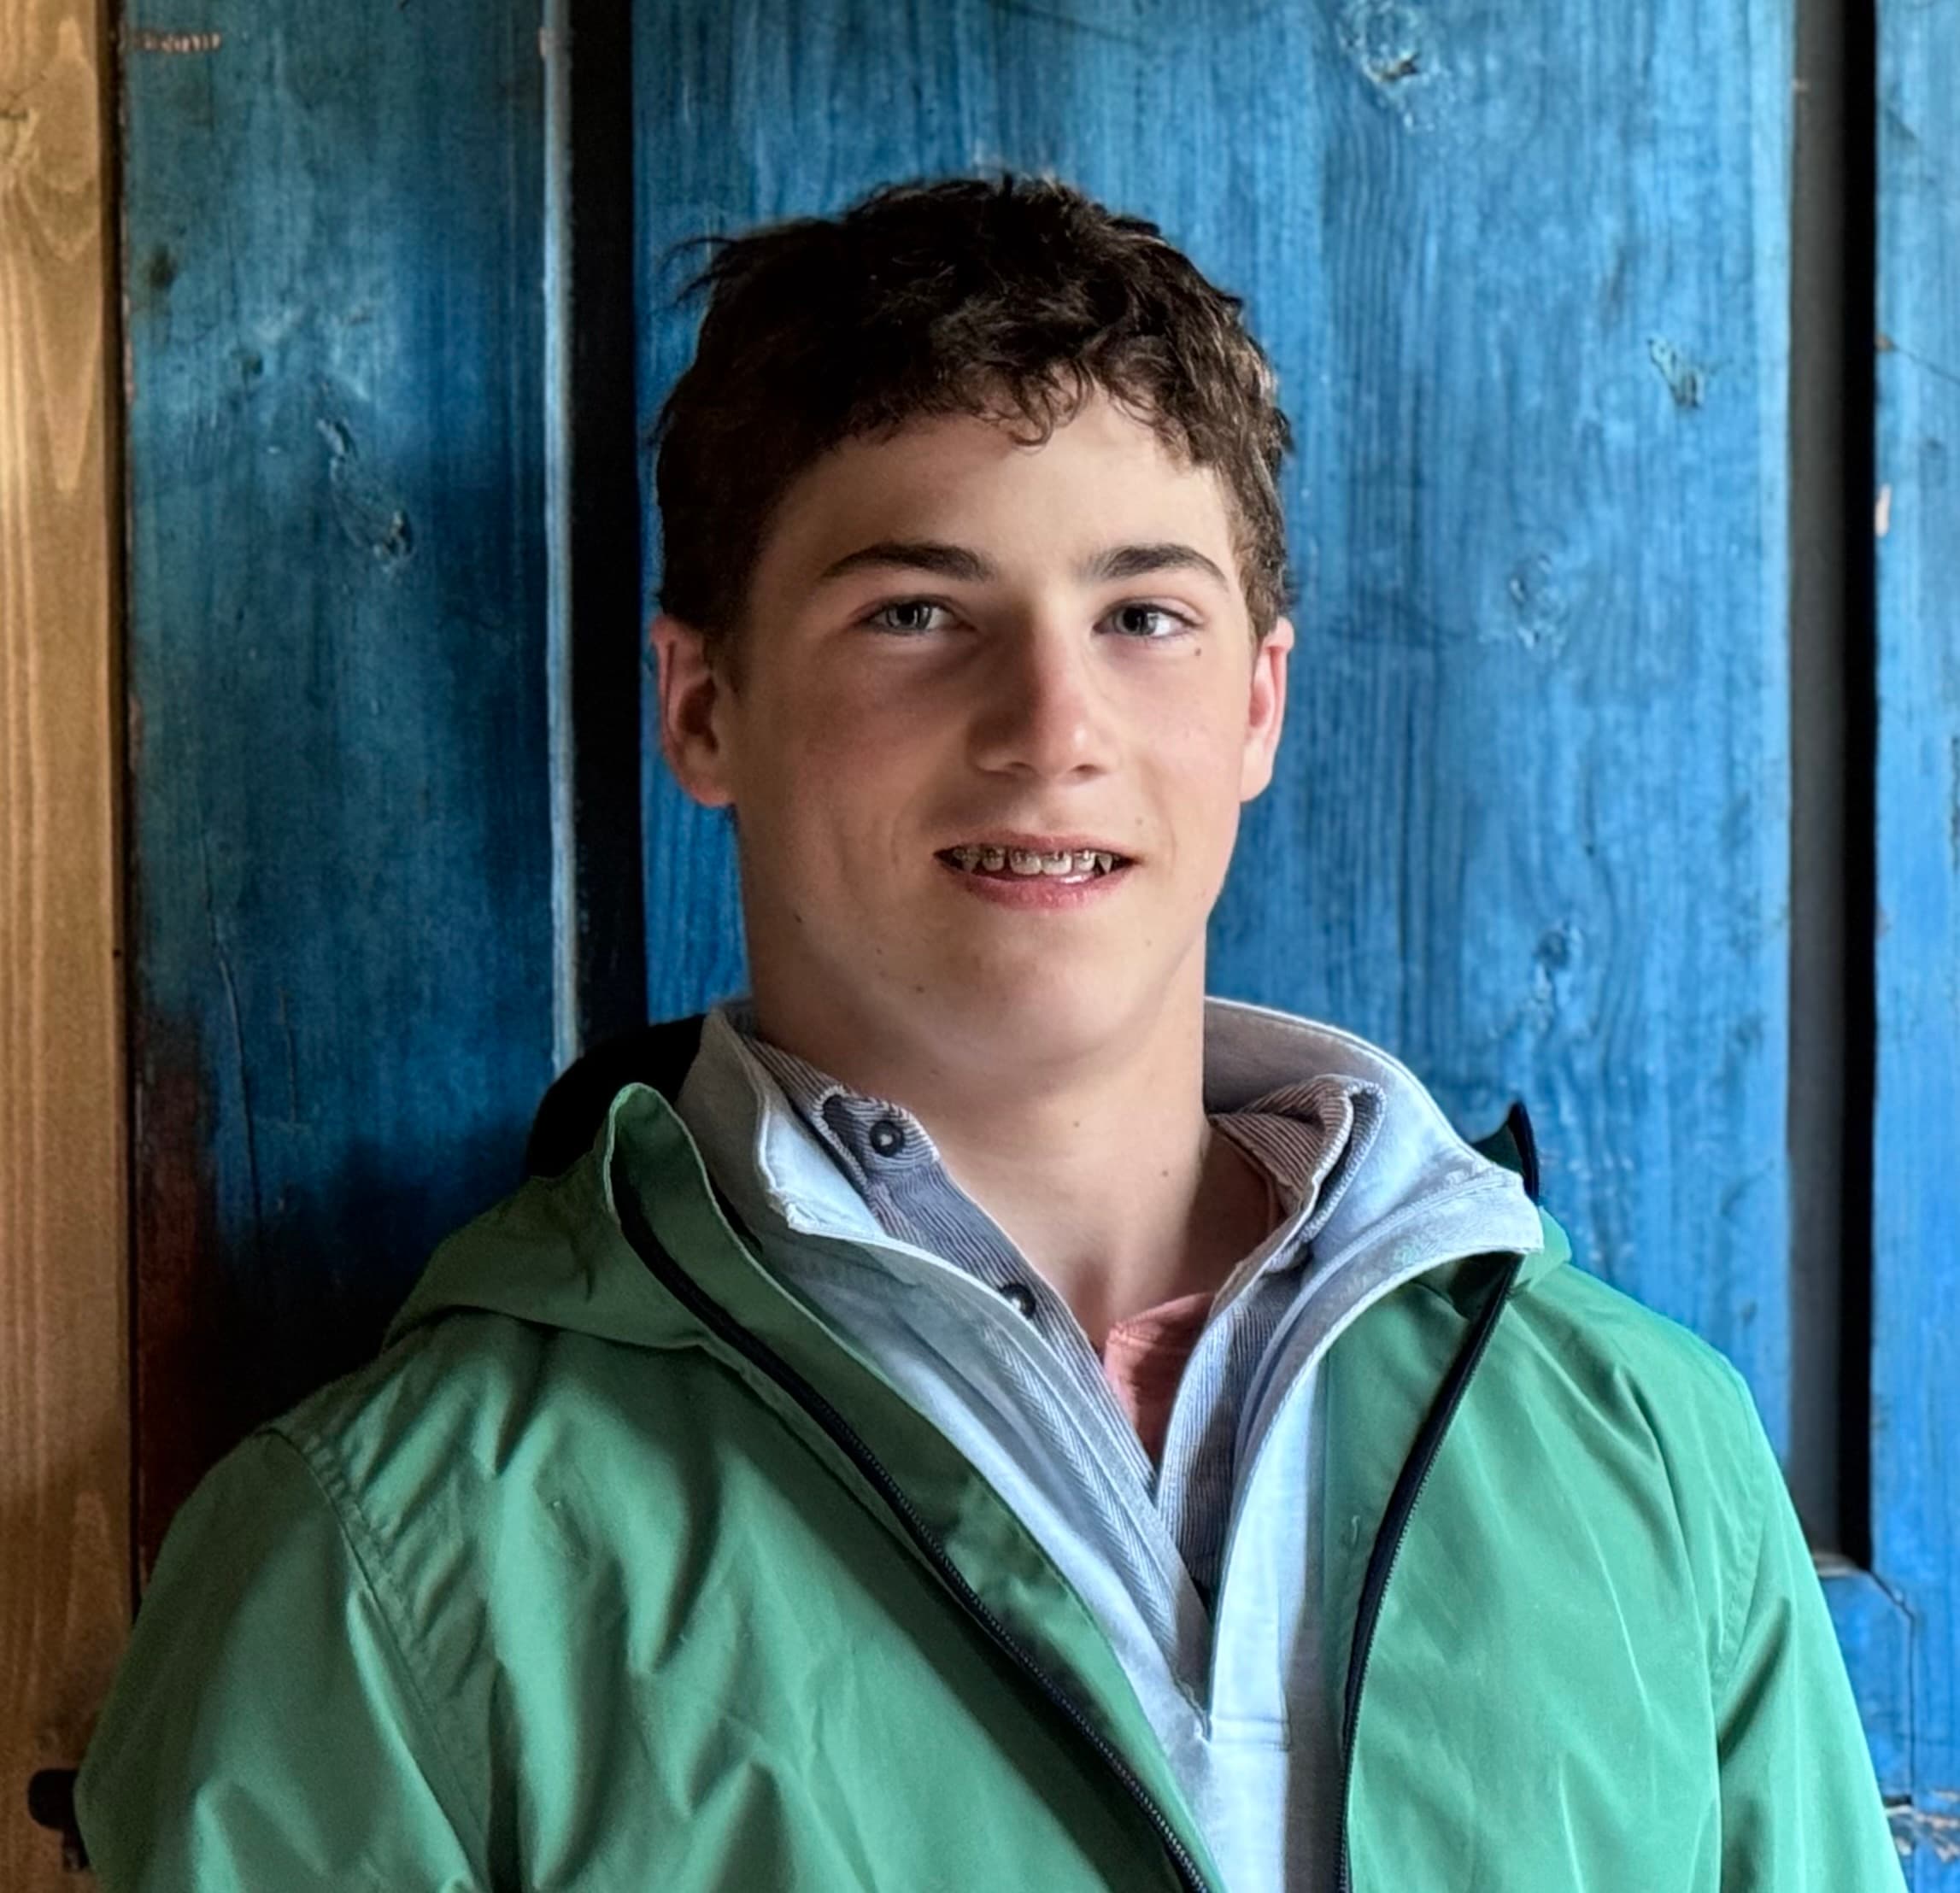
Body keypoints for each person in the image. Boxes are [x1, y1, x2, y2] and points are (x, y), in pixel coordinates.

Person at [75, 175, 1900, 1892]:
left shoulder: (1645, 1447)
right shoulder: (381, 1553)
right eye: (917, 611)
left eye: (1143, 614)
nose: (1051, 722)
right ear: (703, 707)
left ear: (1259, 705)